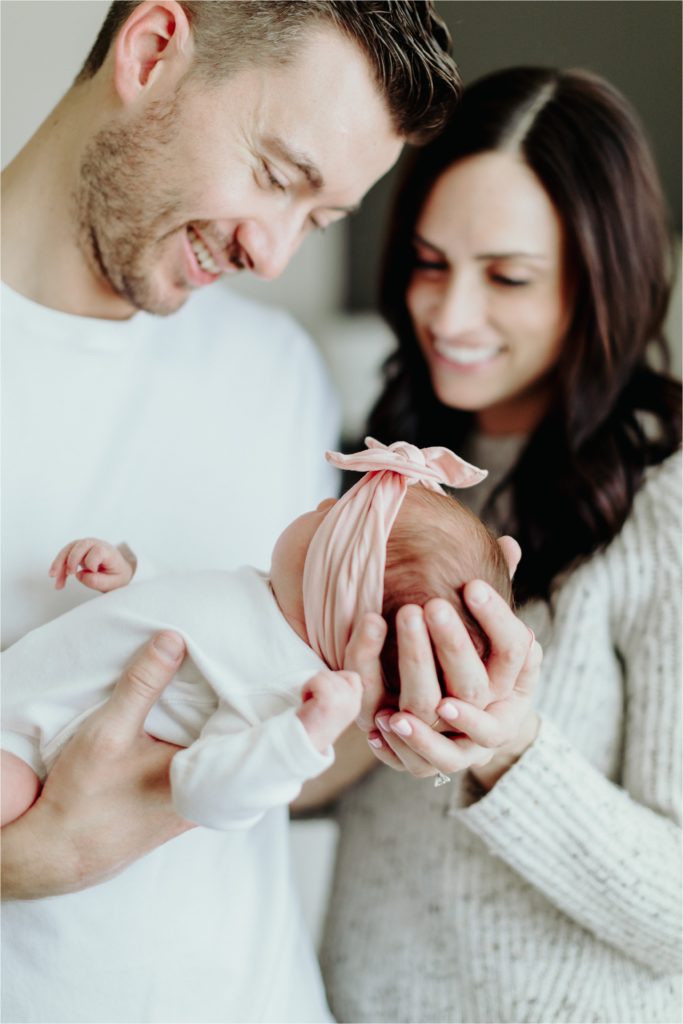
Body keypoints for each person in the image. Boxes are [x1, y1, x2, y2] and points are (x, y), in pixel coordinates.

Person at [0, 3, 477, 1021]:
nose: (273, 256)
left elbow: (272, 734)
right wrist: (30, 860)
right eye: (276, 175)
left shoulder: (275, 372)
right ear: (152, 49)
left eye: (322, 219)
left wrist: (400, 709)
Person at [316, 67, 682, 1023]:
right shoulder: (388, 465)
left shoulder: (666, 506)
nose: (449, 315)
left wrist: (510, 752)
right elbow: (302, 787)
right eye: (430, 262)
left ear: (601, 282)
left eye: (507, 277)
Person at [3, 439, 511, 833]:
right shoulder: (259, 600)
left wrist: (298, 740)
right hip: (23, 684)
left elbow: (203, 793)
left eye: (331, 515)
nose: (320, 500)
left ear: (328, 582)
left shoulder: (282, 689)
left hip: (30, 749)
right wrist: (133, 577)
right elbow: (193, 611)